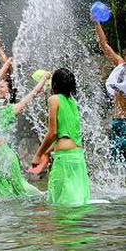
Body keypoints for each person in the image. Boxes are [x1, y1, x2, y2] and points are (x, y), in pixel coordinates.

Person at [0, 58, 47, 199]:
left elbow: (34, 93)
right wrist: (8, 62)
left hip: (3, 156)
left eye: (2, 86)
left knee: (17, 191)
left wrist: (45, 78)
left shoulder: (13, 109)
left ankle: (37, 200)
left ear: (8, 92)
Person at [32, 68, 90, 206]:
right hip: (77, 157)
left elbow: (53, 133)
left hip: (64, 158)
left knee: (59, 204)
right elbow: (67, 134)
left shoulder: (54, 99)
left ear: (54, 84)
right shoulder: (72, 103)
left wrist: (38, 155)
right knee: (77, 201)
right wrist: (47, 151)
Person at [92, 20, 126, 162]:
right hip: (118, 123)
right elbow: (104, 45)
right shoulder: (120, 65)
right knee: (115, 165)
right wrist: (97, 24)